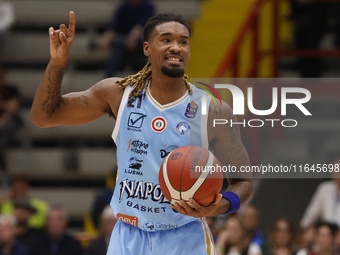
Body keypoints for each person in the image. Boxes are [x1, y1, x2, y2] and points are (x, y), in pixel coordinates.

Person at [30, 12, 254, 254]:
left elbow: (244, 182)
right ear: (147, 48)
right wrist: (58, 63)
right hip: (128, 235)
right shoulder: (118, 94)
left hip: (185, 237)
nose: (176, 47)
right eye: (166, 40)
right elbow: (44, 117)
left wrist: (218, 206)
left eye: (183, 41)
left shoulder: (213, 111)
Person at [100, 0, 155, 77]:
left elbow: (140, 27)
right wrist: (106, 39)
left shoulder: (148, 7)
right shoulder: (123, 7)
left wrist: (132, 39)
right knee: (116, 45)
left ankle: (146, 77)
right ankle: (108, 78)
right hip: (123, 42)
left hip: (140, 42)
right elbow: (113, 27)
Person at [300, 160, 340, 228]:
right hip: (327, 232)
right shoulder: (325, 188)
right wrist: (304, 228)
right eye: (335, 171)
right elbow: (312, 213)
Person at [0, 67, 21, 172]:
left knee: (9, 127)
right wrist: (6, 104)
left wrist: (3, 120)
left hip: (8, 119)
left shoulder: (11, 89)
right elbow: (9, 104)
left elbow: (13, 107)